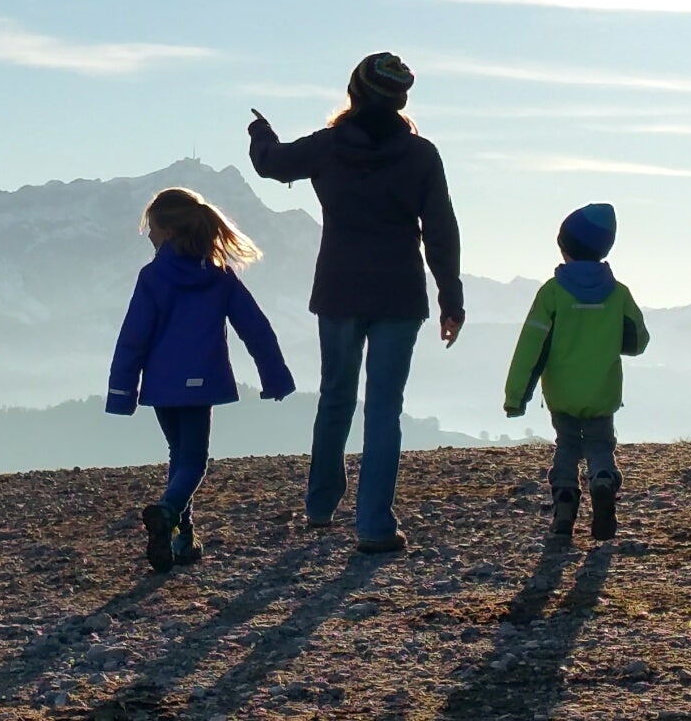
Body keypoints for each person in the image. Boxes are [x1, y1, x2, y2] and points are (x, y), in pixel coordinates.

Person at [247, 51, 462, 554]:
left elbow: (273, 166)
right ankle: (373, 525)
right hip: (399, 292)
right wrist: (450, 294)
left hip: (339, 287)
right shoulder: (421, 155)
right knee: (385, 408)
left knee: (335, 397)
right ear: (401, 99)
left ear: (354, 93)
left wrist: (261, 136)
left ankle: (320, 506)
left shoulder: (329, 147)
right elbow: (441, 230)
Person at [106, 187, 295, 572]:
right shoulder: (220, 276)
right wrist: (274, 376)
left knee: (181, 457)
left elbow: (132, 339)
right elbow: (255, 329)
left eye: (152, 229)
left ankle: (183, 536)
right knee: (193, 461)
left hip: (162, 387)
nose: (149, 236)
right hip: (203, 382)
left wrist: (122, 392)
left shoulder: (152, 277)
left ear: (169, 232)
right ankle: (169, 512)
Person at [503, 202, 649, 542]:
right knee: (600, 445)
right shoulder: (618, 294)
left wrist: (516, 397)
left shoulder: (551, 294)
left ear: (565, 248)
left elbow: (530, 348)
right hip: (602, 392)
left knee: (567, 445)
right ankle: (602, 481)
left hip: (562, 393)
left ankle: (564, 511)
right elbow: (638, 341)